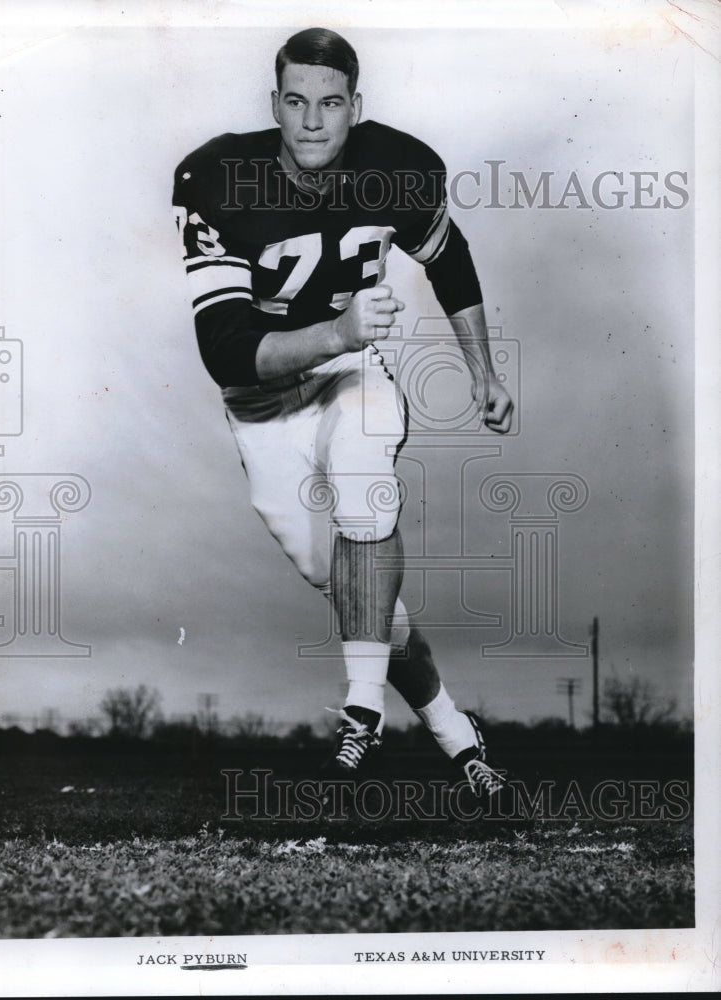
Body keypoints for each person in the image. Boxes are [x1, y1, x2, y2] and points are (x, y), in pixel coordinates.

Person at [173, 27, 513, 796]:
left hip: (353, 368)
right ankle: (458, 733)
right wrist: (335, 329)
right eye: (297, 102)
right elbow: (225, 347)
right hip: (261, 394)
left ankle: (362, 711)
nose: (314, 121)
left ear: (354, 107)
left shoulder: (397, 165)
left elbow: (447, 256)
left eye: (331, 103)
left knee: (365, 476)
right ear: (275, 105)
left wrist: (483, 370)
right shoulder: (220, 176)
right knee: (349, 585)